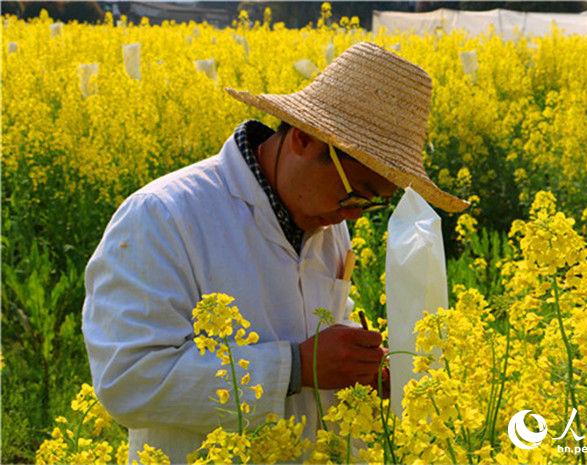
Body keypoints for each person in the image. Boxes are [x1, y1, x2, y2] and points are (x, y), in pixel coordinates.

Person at [82, 41, 468, 463]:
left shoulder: (326, 221)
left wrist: (362, 371)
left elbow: (321, 327)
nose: (356, 217)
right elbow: (129, 381)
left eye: (373, 203)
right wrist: (297, 367)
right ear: (303, 138)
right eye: (357, 193)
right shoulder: (163, 216)